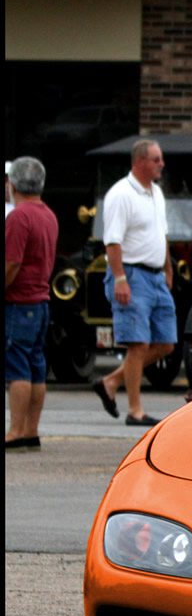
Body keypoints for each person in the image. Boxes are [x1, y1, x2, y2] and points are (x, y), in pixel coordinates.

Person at [94, 139, 176, 427]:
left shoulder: (156, 193)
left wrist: (168, 267)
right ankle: (135, 410)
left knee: (166, 343)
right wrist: (120, 279)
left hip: (155, 276)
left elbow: (161, 233)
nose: (161, 164)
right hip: (131, 274)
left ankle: (110, 382)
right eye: (156, 159)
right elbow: (112, 241)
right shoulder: (121, 194)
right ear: (140, 161)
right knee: (137, 345)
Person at [5, 157, 56, 449]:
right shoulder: (48, 214)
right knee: (36, 366)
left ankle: (14, 431)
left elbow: (11, 263)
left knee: (16, 367)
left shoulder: (18, 217)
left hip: (18, 301)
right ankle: (30, 430)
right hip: (40, 300)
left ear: (13, 184)